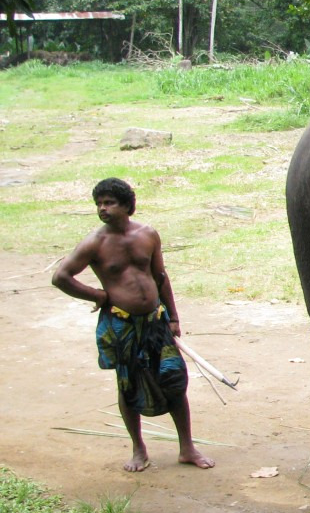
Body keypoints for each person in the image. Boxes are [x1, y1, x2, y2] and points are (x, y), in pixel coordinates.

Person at [52, 177, 214, 473]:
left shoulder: (148, 234)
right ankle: (139, 449)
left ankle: (187, 447)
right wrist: (99, 295)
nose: (103, 209)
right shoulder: (94, 243)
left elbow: (161, 277)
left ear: (127, 205)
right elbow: (61, 277)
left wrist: (174, 317)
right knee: (128, 385)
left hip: (155, 322)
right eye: (99, 204)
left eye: (109, 202)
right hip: (122, 325)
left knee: (174, 381)